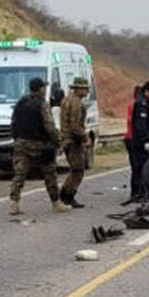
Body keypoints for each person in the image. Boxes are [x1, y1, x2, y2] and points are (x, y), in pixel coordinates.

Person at [10, 77, 69, 215]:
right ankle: (56, 202)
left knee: (20, 173)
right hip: (40, 145)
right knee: (50, 173)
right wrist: (57, 141)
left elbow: (13, 123)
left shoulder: (20, 103)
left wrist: (17, 138)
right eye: (43, 87)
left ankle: (14, 203)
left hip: (21, 143)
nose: (45, 89)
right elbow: (49, 126)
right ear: (40, 89)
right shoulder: (42, 104)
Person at [123, 81, 149, 205]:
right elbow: (141, 125)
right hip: (139, 143)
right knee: (139, 168)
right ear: (147, 92)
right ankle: (137, 193)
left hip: (145, 141)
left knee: (143, 167)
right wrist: (146, 141)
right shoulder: (141, 104)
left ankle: (142, 192)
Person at [59, 76, 92, 208]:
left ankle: (65, 195)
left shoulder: (66, 100)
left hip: (67, 139)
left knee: (76, 168)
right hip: (73, 140)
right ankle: (67, 195)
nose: (87, 92)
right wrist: (85, 138)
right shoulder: (76, 103)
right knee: (78, 169)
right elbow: (75, 125)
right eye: (84, 89)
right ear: (78, 89)